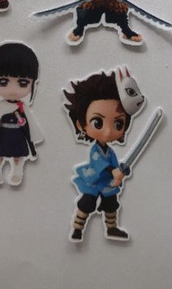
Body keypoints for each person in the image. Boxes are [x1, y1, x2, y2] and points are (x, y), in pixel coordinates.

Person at [63, 68, 145, 242]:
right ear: (81, 125)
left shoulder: (111, 151)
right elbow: (100, 164)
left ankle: (112, 227)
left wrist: (121, 172)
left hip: (107, 182)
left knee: (111, 204)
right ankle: (77, 228)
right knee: (87, 203)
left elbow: (115, 165)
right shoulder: (95, 150)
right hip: (93, 180)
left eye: (118, 123)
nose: (108, 131)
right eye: (98, 122)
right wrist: (113, 171)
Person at [0, 38, 43, 186]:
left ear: (33, 83)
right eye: (3, 82)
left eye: (23, 83)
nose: (13, 90)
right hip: (3, 134)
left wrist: (33, 136)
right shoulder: (0, 106)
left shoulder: (23, 106)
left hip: (18, 135)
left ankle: (17, 172)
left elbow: (30, 124)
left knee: (19, 156)